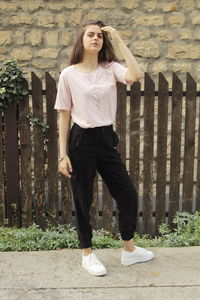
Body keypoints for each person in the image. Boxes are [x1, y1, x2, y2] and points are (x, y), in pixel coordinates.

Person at [54, 20, 154, 276]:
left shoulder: (110, 68)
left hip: (106, 139)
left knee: (128, 194)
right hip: (81, 141)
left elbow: (135, 75)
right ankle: (87, 253)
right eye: (91, 35)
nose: (96, 38)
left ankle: (129, 250)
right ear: (82, 40)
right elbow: (64, 114)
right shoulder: (69, 74)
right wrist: (62, 154)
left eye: (100, 36)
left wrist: (119, 40)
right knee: (83, 198)